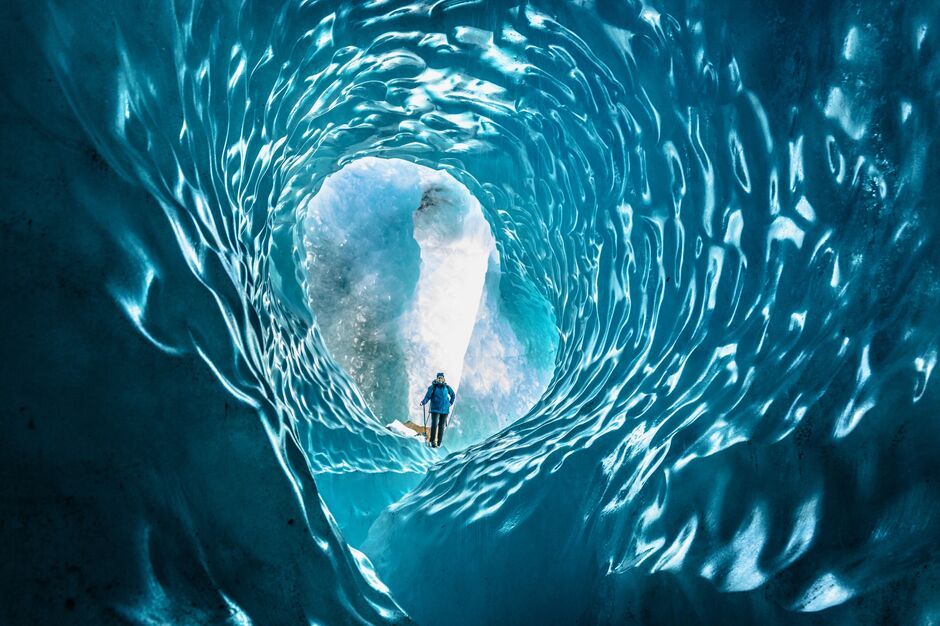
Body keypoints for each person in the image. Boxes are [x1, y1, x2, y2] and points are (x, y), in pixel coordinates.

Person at [420, 372, 456, 448]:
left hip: (445, 410)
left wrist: (450, 403)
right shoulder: (433, 387)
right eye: (439, 378)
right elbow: (427, 396)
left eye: (441, 378)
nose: (440, 379)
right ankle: (432, 441)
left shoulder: (447, 387)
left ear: (443, 379)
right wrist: (423, 402)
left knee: (441, 427)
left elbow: (453, 395)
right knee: (434, 425)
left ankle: (439, 443)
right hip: (435, 409)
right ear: (436, 379)